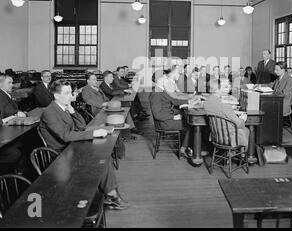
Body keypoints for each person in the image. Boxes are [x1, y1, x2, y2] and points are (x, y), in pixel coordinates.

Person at [38, 80, 129, 210]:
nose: (71, 95)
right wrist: (94, 133)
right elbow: (66, 136)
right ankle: (111, 195)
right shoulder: (50, 112)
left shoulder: (63, 108)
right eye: (67, 93)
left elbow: (81, 127)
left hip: (71, 148)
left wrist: (73, 111)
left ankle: (111, 194)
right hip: (59, 155)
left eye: (71, 92)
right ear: (56, 96)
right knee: (101, 158)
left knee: (104, 157)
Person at [149, 80, 193, 158]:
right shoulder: (156, 93)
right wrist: (173, 117)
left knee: (187, 118)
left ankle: (189, 146)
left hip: (167, 117)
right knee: (190, 125)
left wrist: (190, 101)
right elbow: (157, 115)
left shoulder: (161, 90)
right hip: (164, 123)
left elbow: (174, 101)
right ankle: (183, 150)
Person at [203, 79, 250, 149]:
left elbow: (219, 112)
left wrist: (231, 111)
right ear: (217, 90)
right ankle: (244, 156)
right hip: (228, 138)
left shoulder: (206, 103)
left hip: (216, 136)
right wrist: (243, 119)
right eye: (222, 87)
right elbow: (238, 124)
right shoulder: (225, 105)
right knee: (246, 130)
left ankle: (231, 154)